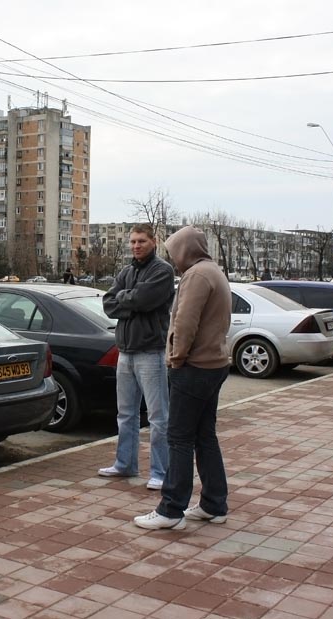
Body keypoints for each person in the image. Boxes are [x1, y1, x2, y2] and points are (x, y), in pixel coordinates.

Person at [134, 225, 232, 531]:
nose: (173, 257)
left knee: (178, 438)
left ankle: (171, 510)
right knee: (204, 436)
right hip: (213, 365)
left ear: (185, 250)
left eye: (174, 251)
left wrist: (176, 360)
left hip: (193, 368)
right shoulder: (213, 271)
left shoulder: (196, 275)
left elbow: (184, 323)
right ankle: (214, 505)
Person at [100, 223, 175, 490]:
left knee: (158, 417)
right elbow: (109, 303)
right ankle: (125, 464)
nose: (136, 246)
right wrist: (131, 301)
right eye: (132, 241)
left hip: (151, 352)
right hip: (125, 352)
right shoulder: (127, 271)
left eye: (141, 241)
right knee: (125, 414)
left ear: (153, 241)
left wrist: (128, 300)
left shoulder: (162, 271)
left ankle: (160, 473)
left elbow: (144, 299)